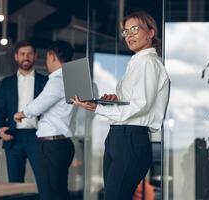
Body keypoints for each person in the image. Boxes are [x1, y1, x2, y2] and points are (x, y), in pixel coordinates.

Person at [72, 11, 170, 200]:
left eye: (135, 29)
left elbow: (140, 105)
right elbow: (137, 99)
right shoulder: (136, 63)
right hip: (119, 137)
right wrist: (116, 99)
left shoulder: (149, 63)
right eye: (126, 32)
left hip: (131, 139)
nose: (129, 35)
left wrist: (99, 108)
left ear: (150, 33)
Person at [14, 40, 75, 200]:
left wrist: (21, 113)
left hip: (52, 146)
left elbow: (37, 106)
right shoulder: (72, 79)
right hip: (63, 143)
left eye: (47, 58)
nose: (47, 62)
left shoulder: (56, 80)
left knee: (49, 194)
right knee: (60, 192)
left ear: (52, 56)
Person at [0, 40, 48, 188]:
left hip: (38, 136)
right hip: (13, 136)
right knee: (15, 184)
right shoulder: (6, 83)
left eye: (30, 53)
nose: (26, 57)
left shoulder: (45, 81)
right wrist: (0, 130)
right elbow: (0, 111)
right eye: (22, 54)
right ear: (16, 57)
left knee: (44, 181)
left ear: (35, 56)